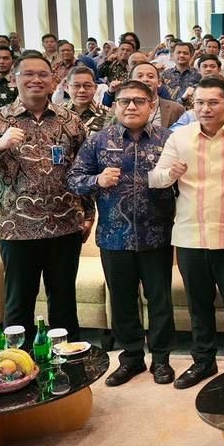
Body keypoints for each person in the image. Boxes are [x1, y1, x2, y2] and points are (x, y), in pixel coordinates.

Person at [0, 53, 90, 341]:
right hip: (17, 229)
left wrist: (88, 215)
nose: (36, 79)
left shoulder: (71, 122)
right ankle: (19, 372)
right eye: (28, 74)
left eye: (43, 74)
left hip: (65, 226)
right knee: (18, 305)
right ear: (14, 79)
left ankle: (67, 369)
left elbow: (83, 173)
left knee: (63, 303)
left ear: (53, 81)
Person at [150, 76, 224, 388]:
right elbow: (155, 178)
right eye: (199, 102)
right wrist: (170, 174)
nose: (205, 108)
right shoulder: (179, 138)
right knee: (199, 304)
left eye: (213, 102)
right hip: (190, 235)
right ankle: (203, 361)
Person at [67, 80, 177, 386]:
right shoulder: (98, 141)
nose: (131, 106)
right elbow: (74, 179)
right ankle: (130, 358)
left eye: (139, 101)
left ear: (152, 105)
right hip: (115, 237)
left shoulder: (168, 140)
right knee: (123, 300)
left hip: (158, 235)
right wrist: (97, 180)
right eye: (125, 101)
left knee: (159, 299)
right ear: (115, 105)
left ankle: (162, 358)